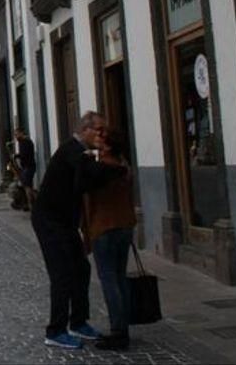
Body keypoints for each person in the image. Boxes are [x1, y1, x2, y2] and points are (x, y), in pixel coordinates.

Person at [31, 111, 125, 350]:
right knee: (61, 274)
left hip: (66, 221)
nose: (103, 135)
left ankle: (79, 322)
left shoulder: (82, 153)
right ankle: (55, 330)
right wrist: (118, 169)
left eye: (104, 130)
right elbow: (91, 175)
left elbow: (84, 182)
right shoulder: (72, 150)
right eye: (99, 130)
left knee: (81, 269)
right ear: (85, 130)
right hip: (49, 220)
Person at [83, 129, 137, 351]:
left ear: (106, 146)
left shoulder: (99, 168)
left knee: (109, 279)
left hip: (104, 227)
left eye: (99, 140)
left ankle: (118, 331)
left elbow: (89, 201)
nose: (95, 142)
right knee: (119, 276)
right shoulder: (124, 166)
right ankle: (123, 326)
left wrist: (86, 232)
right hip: (125, 224)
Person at [14, 129, 38, 211]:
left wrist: (16, 156)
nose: (16, 137)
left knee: (27, 186)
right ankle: (28, 204)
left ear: (21, 133)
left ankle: (32, 205)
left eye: (17, 134)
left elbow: (24, 154)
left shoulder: (25, 142)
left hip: (28, 167)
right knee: (28, 186)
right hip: (27, 167)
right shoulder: (24, 142)